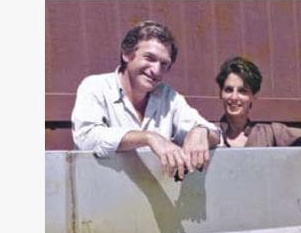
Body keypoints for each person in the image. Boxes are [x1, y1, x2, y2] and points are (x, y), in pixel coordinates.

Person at [71, 20, 220, 179]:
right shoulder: (95, 86)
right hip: (100, 192)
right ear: (127, 54)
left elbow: (216, 135)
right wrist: (148, 137)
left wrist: (200, 131)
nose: (156, 70)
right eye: (149, 58)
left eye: (164, 64)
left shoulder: (168, 97)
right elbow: (86, 138)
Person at [213, 56, 301, 172]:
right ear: (220, 93)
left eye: (243, 91)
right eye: (228, 90)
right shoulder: (209, 133)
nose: (234, 97)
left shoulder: (270, 133)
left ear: (254, 96)